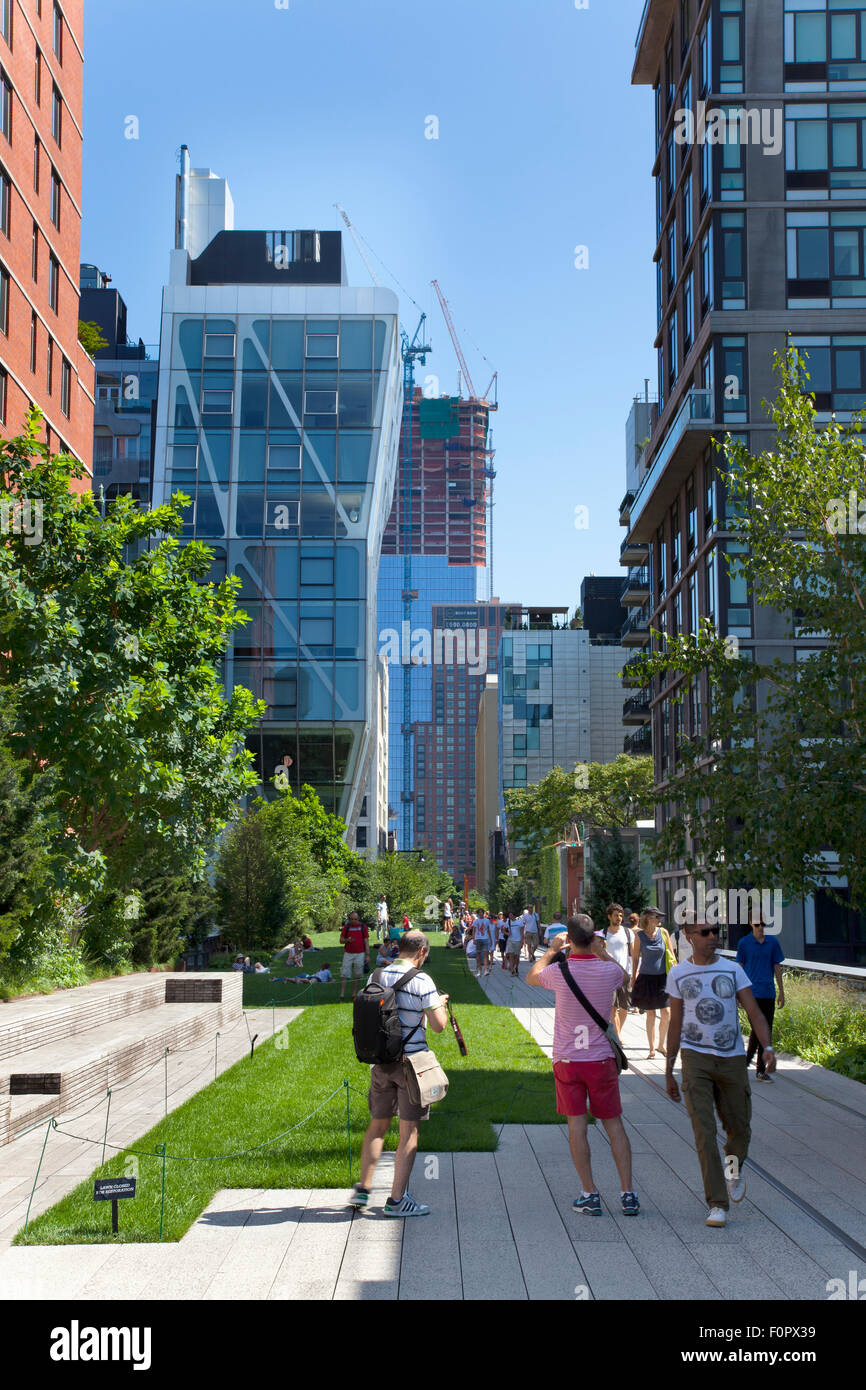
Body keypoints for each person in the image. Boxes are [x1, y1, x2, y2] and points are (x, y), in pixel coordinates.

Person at [527, 914, 639, 1218]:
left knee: (577, 1126)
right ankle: (628, 1193)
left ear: (570, 940)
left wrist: (552, 951)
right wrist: (602, 952)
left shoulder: (559, 971)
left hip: (568, 1060)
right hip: (600, 1059)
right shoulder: (607, 970)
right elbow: (624, 977)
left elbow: (532, 976)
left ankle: (589, 1194)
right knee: (614, 1124)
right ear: (593, 939)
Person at [666, 920, 776, 1228]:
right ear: (689, 937)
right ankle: (717, 1203)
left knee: (739, 1127)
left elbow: (754, 1012)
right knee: (704, 1132)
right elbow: (675, 1022)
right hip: (695, 1058)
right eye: (705, 932)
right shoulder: (678, 974)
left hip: (732, 1059)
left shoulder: (732, 970)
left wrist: (767, 1047)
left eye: (716, 931)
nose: (713, 936)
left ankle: (733, 1168)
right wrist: (669, 1069)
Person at [349, 931, 449, 1217]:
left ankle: (363, 1188)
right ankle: (396, 1201)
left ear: (398, 947)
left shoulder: (376, 975)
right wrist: (439, 1004)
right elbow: (439, 1026)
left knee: (377, 1127)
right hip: (412, 1066)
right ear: (422, 952)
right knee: (409, 1132)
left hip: (380, 1062)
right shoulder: (422, 981)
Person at [736, 912, 785, 1083]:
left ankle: (757, 1069)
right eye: (757, 924)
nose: (761, 927)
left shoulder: (773, 942)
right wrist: (738, 993)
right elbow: (739, 968)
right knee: (758, 1029)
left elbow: (777, 966)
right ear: (751, 923)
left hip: (768, 992)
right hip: (750, 993)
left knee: (765, 1031)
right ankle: (751, 1066)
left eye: (763, 924)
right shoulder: (744, 943)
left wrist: (781, 991)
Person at [631, 907, 672, 1058]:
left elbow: (671, 956)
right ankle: (652, 1048)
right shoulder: (639, 936)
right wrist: (633, 977)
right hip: (646, 978)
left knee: (666, 1012)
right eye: (657, 916)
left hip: (663, 978)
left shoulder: (664, 933)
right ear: (648, 918)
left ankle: (661, 1044)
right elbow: (635, 958)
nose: (660, 919)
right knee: (651, 1013)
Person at [597, 903, 633, 1038]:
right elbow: (599, 954)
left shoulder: (628, 933)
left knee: (625, 1008)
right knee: (613, 1007)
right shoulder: (603, 934)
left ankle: (618, 1032)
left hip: (625, 974)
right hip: (609, 975)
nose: (619, 918)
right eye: (616, 915)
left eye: (621, 916)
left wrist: (634, 972)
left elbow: (632, 954)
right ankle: (618, 1037)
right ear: (609, 917)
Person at [339, 910, 370, 1002]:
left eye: (355, 919)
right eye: (351, 919)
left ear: (358, 919)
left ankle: (354, 994)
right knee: (344, 974)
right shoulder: (347, 927)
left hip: (360, 953)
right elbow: (341, 940)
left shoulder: (363, 927)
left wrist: (367, 955)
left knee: (357, 975)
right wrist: (347, 940)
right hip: (348, 953)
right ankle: (341, 994)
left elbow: (366, 941)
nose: (353, 921)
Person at [472, 909, 494, 976]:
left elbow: (488, 930)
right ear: (478, 913)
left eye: (482, 912)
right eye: (479, 912)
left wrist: (490, 939)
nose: (481, 914)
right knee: (478, 955)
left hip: (485, 938)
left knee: (485, 955)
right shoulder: (476, 921)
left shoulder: (487, 920)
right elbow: (474, 930)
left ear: (483, 913)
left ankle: (486, 970)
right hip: (478, 939)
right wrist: (474, 939)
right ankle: (479, 970)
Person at [505, 911, 523, 975]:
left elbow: (522, 933)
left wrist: (522, 941)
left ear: (514, 916)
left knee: (517, 956)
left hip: (518, 941)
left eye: (511, 915)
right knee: (511, 955)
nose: (510, 916)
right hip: (510, 940)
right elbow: (503, 930)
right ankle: (512, 970)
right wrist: (507, 933)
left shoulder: (519, 922)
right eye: (509, 915)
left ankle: (516, 967)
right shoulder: (508, 922)